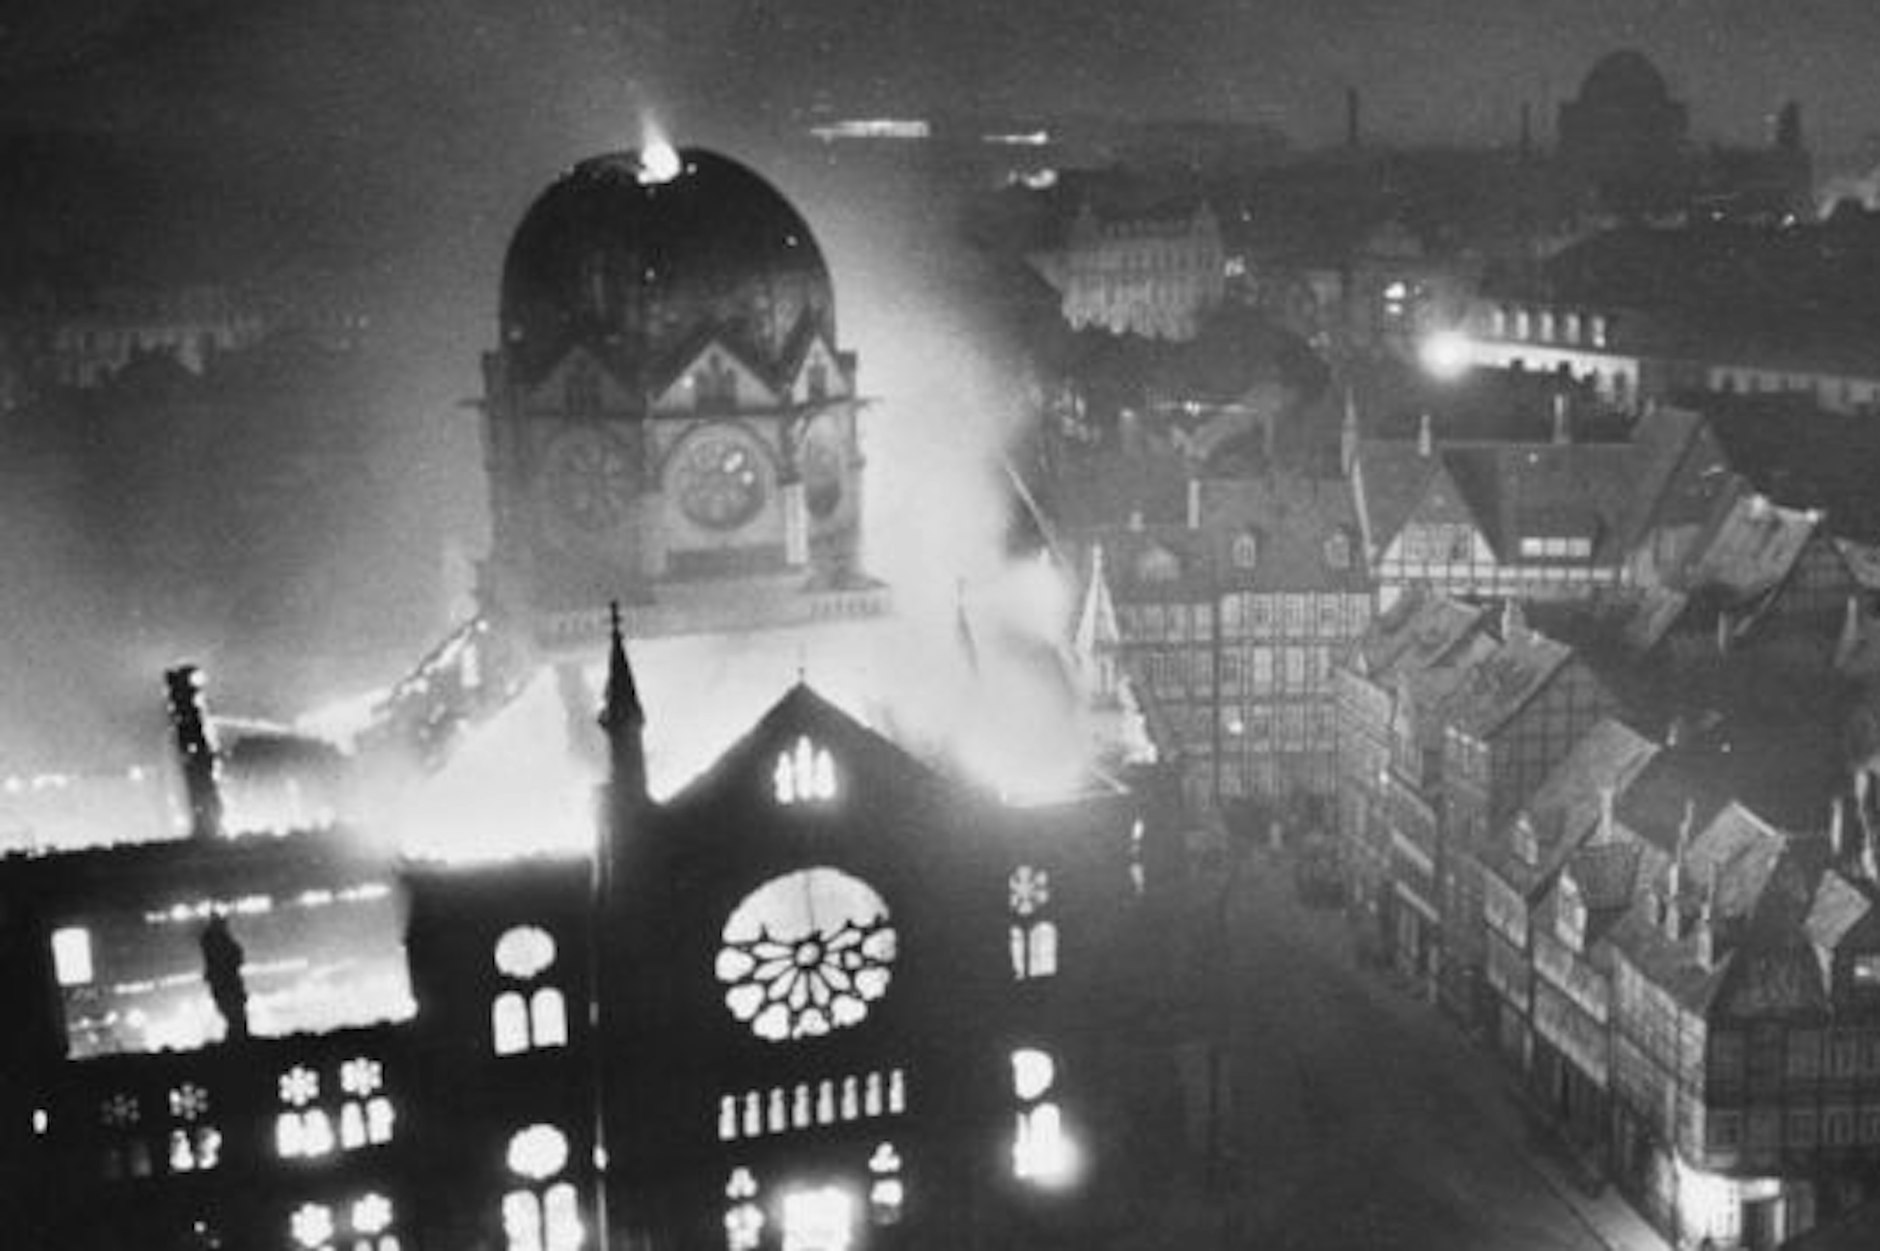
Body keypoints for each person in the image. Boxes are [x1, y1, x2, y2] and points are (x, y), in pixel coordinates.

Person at [200, 913, 250, 1043]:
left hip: (224, 981)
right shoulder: (217, 941)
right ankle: (238, 1038)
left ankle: (237, 1037)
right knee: (234, 1012)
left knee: (235, 1013)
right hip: (226, 981)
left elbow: (237, 956)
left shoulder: (215, 940)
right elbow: (235, 956)